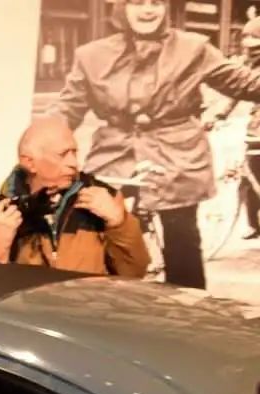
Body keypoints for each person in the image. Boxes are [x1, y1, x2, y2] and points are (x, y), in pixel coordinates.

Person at [49, 0, 260, 288]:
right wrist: (43, 140)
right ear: (122, 7)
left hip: (177, 153)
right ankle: (91, 299)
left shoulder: (194, 48)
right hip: (114, 151)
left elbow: (244, 84)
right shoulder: (91, 55)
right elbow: (68, 108)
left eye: (156, 2)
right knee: (88, 223)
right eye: (138, 2)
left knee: (181, 236)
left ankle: (186, 305)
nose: (147, 10)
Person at [0, 117, 149, 277]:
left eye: (74, 153)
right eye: (63, 155)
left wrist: (119, 223)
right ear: (29, 162)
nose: (74, 163)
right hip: (28, 307)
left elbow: (134, 273)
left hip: (88, 306)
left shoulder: (105, 200)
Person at [209, 17, 260, 241]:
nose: (251, 50)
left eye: (256, 45)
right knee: (249, 178)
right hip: (256, 129)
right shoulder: (247, 67)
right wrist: (219, 114)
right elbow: (236, 91)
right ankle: (252, 224)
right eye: (248, 44)